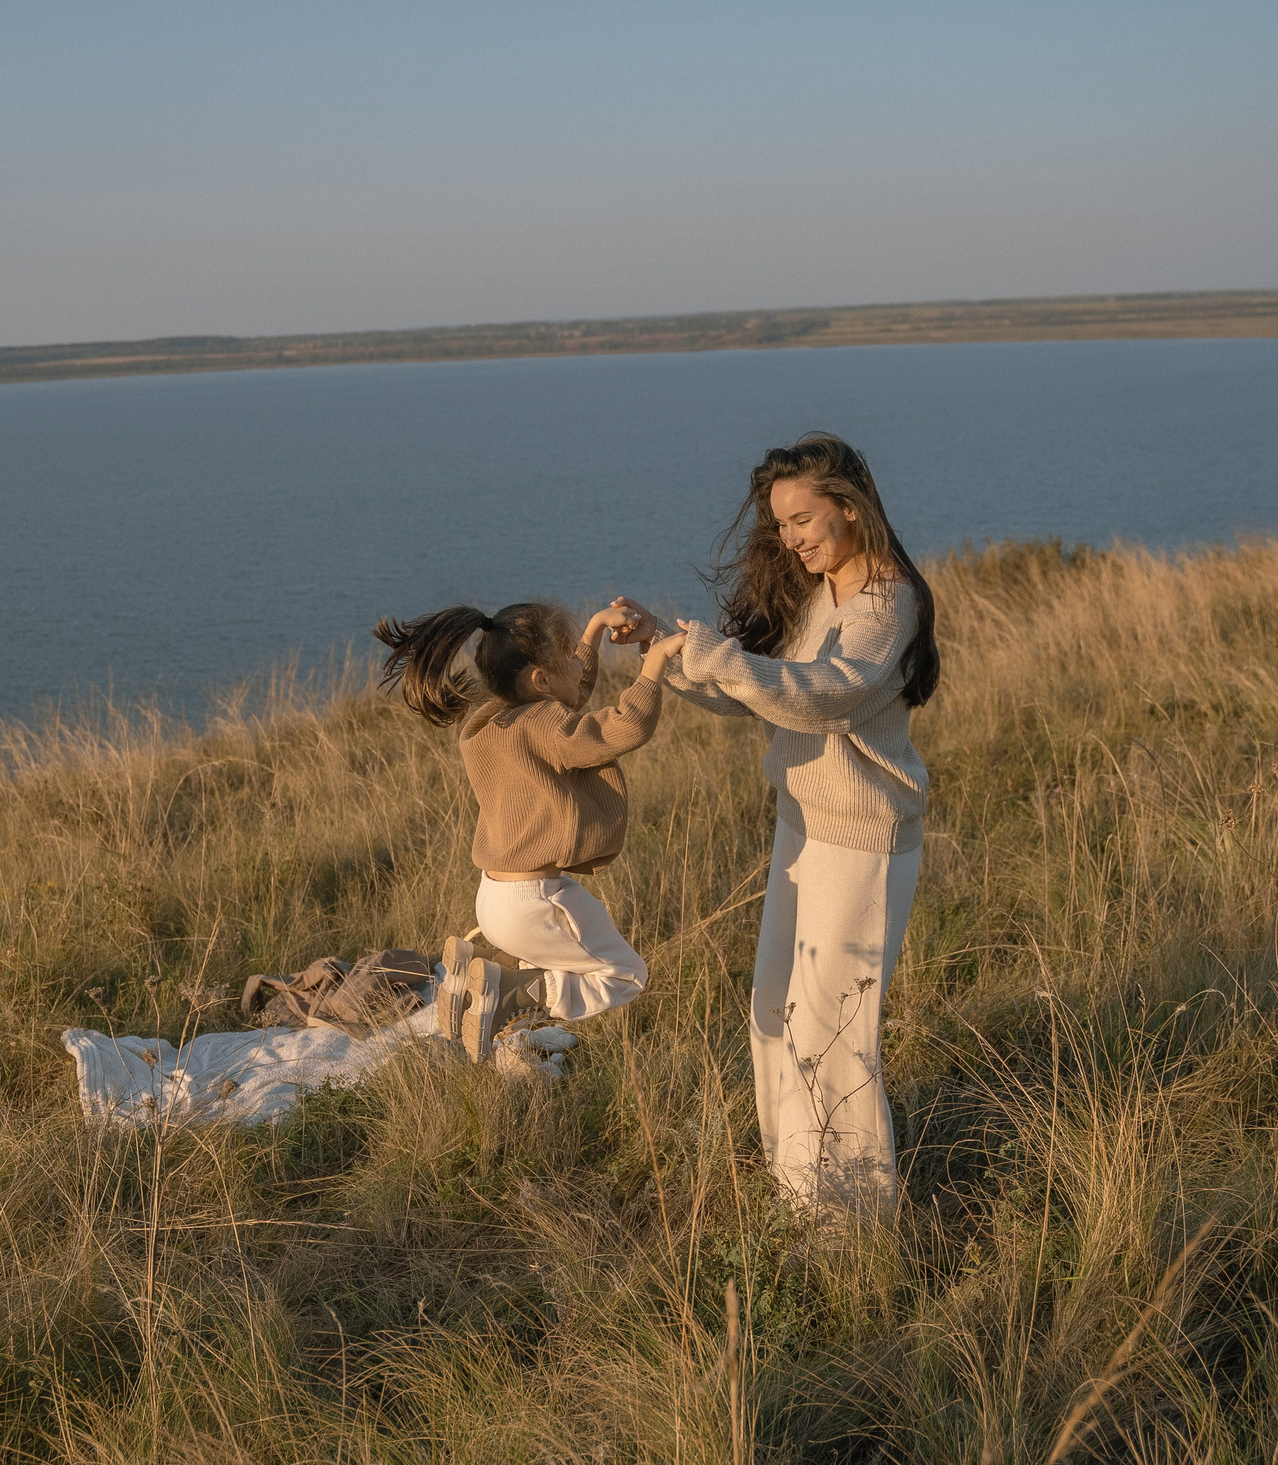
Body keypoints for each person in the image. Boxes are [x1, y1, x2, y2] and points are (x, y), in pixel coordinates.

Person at [614, 434, 938, 1214]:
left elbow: (823, 694)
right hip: (803, 826)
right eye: (779, 524)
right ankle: (797, 1196)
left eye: (801, 518)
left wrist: (719, 655)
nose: (788, 539)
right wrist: (670, 646)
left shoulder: (887, 604)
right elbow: (758, 692)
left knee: (830, 1035)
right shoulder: (818, 591)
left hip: (861, 841)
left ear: (850, 505)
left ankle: (849, 1230)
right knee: (773, 1015)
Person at [372, 598, 685, 1059]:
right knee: (624, 976)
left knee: (550, 959)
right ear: (540, 680)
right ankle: (516, 993)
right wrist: (652, 666)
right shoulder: (546, 725)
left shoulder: (486, 721)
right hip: (538, 901)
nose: (580, 672)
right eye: (570, 662)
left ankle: (473, 975)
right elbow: (619, 730)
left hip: (493, 902)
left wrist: (595, 627)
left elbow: (567, 693)